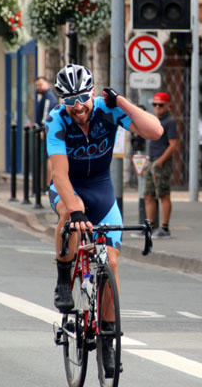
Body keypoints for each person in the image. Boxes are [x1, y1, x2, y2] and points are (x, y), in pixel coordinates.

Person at [45, 64, 162, 318]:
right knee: (69, 214)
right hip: (69, 187)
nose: (78, 107)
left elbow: (155, 131)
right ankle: (64, 280)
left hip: (101, 189)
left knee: (111, 262)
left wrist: (121, 101)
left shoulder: (108, 110)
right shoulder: (57, 120)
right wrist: (76, 211)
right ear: (62, 101)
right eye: (70, 100)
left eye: (83, 98)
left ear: (93, 92)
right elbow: (59, 174)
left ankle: (108, 337)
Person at [143, 92, 179, 238]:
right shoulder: (154, 120)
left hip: (160, 162)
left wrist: (160, 161)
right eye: (155, 104)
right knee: (148, 195)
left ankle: (164, 228)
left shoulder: (169, 121)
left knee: (163, 194)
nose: (157, 107)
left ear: (168, 105)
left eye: (161, 105)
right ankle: (150, 227)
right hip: (152, 160)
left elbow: (173, 144)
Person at [35, 76, 59, 190]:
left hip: (46, 132)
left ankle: (48, 185)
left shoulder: (48, 97)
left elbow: (46, 115)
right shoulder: (45, 97)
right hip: (45, 131)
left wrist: (43, 129)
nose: (38, 87)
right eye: (36, 85)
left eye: (40, 84)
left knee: (49, 158)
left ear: (47, 85)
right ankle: (45, 184)